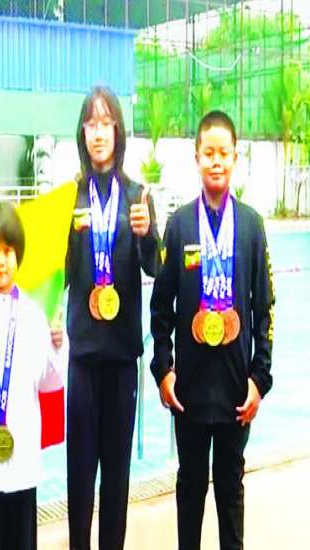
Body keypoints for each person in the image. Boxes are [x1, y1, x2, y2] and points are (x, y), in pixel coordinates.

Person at [150, 110, 274, 550]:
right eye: (209, 153)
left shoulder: (252, 227)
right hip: (189, 392)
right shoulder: (180, 225)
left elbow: (265, 309)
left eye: (224, 153)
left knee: (230, 490)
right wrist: (164, 370)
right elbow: (161, 307)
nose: (216, 161)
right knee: (189, 489)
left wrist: (259, 380)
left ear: (236, 157)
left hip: (237, 392)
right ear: (196, 158)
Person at [64, 86, 161, 550]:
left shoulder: (138, 196)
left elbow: (155, 267)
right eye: (91, 124)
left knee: (116, 478)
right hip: (83, 358)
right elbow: (59, 271)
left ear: (118, 131)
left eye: (106, 123)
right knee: (80, 475)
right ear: (82, 133)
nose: (98, 133)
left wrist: (147, 235)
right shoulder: (70, 198)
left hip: (122, 359)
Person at [0, 201, 66, 550]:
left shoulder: (33, 316)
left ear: (18, 255)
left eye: (7, 251)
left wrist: (58, 346)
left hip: (22, 463)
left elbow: (50, 381)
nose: (0, 260)